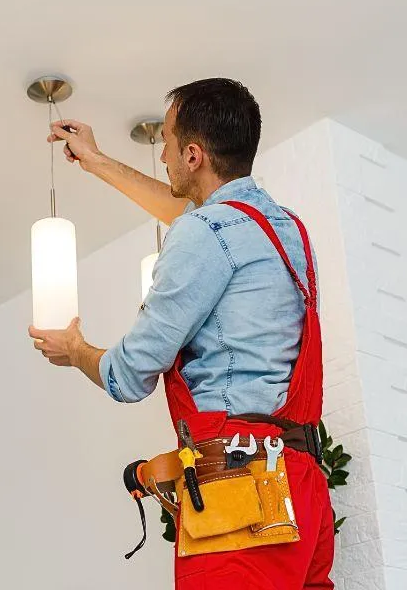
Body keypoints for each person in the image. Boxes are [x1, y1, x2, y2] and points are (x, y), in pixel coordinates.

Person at [28, 78, 334, 589]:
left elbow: (129, 376)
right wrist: (98, 160)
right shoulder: (283, 228)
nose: (162, 154)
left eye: (167, 142)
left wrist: (77, 350)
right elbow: (201, 221)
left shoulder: (206, 234)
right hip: (303, 492)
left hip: (242, 495)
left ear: (193, 154)